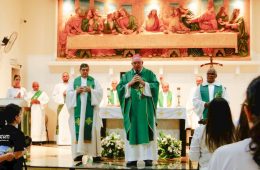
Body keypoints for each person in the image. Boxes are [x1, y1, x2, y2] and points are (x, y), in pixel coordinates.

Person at [208, 76, 260, 170]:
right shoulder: (232, 130)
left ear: (247, 112)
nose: (210, 76)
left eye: (212, 74)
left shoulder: (223, 156)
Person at [116, 54, 159, 167]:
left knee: (146, 132)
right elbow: (119, 89)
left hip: (145, 110)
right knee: (133, 131)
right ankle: (132, 158)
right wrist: (129, 84)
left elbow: (156, 87)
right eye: (134, 63)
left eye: (138, 63)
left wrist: (144, 83)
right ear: (132, 64)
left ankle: (148, 158)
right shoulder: (126, 76)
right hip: (132, 110)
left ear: (142, 63)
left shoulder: (149, 74)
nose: (136, 65)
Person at [66, 63, 103, 162]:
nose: (85, 72)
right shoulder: (74, 81)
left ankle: (94, 154)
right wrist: (76, 92)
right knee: (78, 130)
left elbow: (100, 93)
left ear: (89, 70)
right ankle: (78, 153)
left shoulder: (94, 81)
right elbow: (68, 94)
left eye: (87, 70)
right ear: (80, 70)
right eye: (83, 70)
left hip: (91, 112)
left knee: (93, 130)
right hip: (78, 113)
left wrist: (91, 90)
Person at [189, 97, 236, 170]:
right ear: (227, 112)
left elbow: (193, 156)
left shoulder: (200, 131)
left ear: (210, 112)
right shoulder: (235, 130)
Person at [0, 104, 26, 170]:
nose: (21, 117)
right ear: (16, 117)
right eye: (20, 115)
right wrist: (25, 150)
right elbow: (17, 155)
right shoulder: (18, 133)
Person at [52, 72, 71, 145]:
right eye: (64, 76)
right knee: (61, 123)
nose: (65, 77)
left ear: (68, 77)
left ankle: (69, 141)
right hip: (61, 106)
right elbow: (54, 95)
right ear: (62, 77)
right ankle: (61, 141)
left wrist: (68, 94)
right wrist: (62, 95)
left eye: (66, 76)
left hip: (69, 107)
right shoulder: (58, 86)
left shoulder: (71, 86)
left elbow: (74, 95)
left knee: (69, 123)